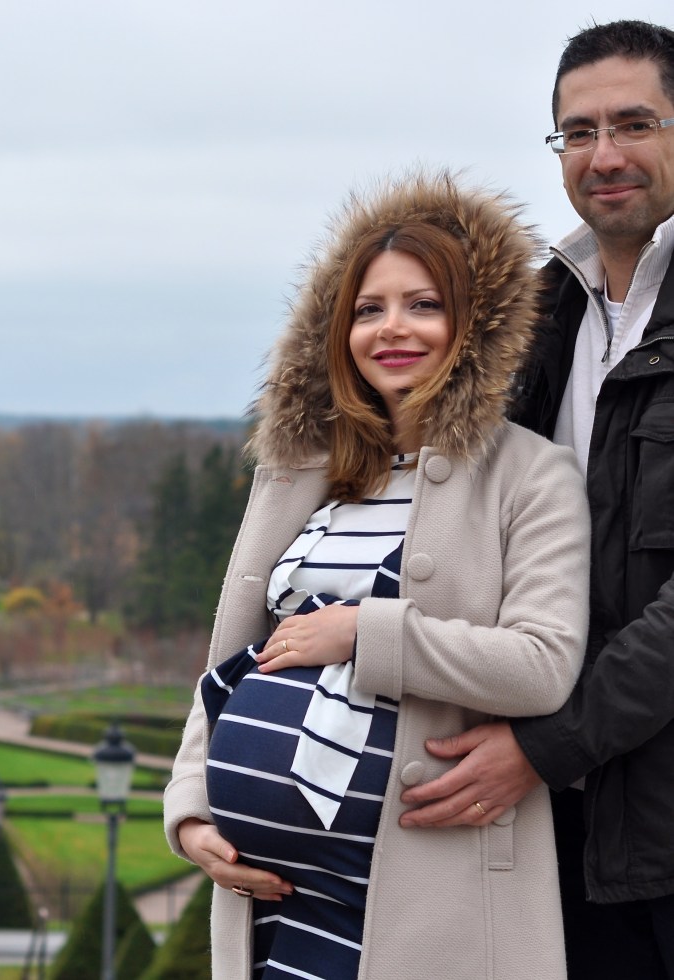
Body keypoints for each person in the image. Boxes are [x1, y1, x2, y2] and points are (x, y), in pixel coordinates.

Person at [162, 171, 591, 980]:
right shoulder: (302, 474)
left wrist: (362, 632)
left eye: (423, 304)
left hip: (430, 902)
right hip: (274, 907)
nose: (392, 328)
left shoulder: (532, 475)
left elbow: (542, 666)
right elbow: (236, 665)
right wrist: (189, 813)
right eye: (369, 309)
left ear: (473, 325)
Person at [396, 19, 674, 980]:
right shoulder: (530, 316)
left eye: (634, 124)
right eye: (578, 132)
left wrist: (548, 746)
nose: (605, 156)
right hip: (555, 830)